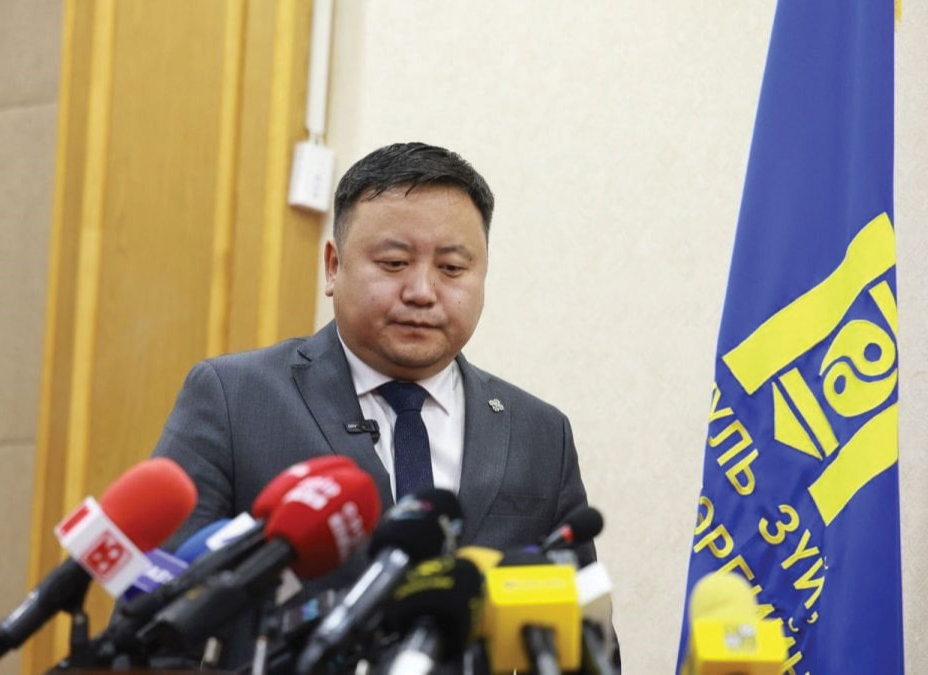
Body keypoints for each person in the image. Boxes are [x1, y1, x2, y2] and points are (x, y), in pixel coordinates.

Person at [149, 141, 595, 665]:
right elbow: (158, 628)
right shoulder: (234, 398)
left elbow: (586, 643)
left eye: (452, 268)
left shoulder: (540, 433)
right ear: (333, 266)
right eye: (394, 263)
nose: (422, 291)